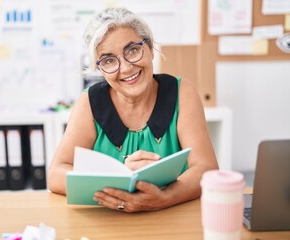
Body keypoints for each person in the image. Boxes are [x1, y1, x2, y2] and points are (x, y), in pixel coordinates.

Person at [48, 7, 218, 213]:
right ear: (100, 69)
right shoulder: (89, 103)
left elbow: (206, 169)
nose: (126, 68)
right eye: (109, 60)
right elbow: (56, 175)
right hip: (108, 223)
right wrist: (119, 179)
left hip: (171, 216)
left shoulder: (182, 92)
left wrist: (164, 198)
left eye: (132, 50)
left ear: (149, 48)